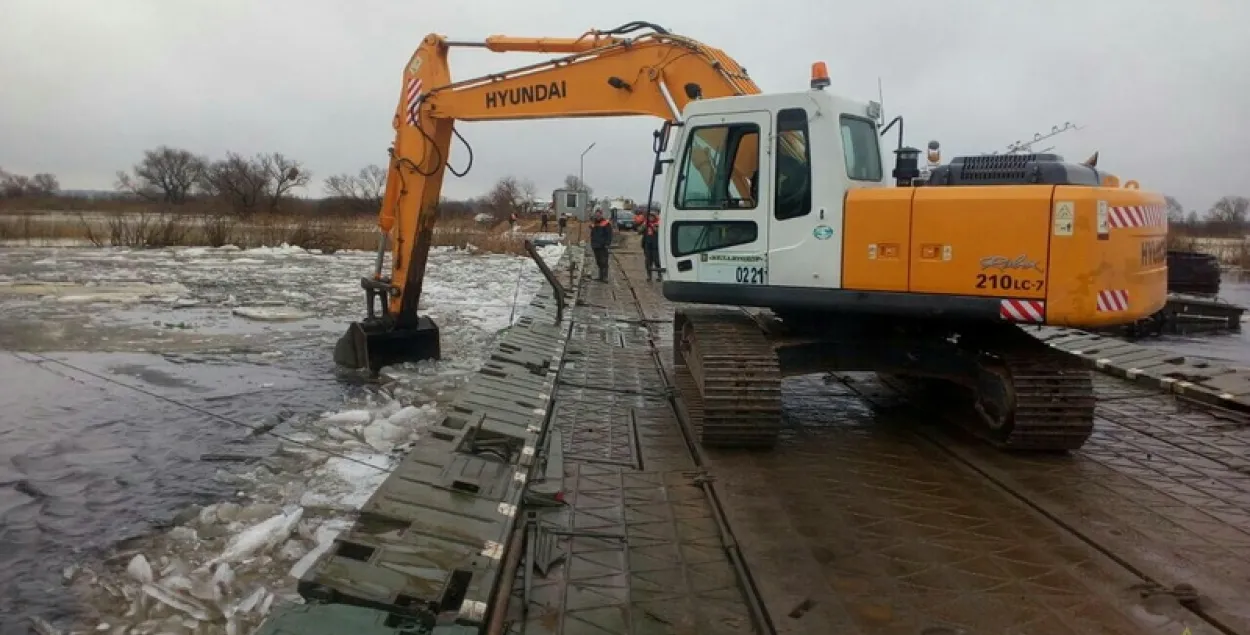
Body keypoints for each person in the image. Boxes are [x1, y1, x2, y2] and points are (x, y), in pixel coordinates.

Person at [589, 209, 613, 282]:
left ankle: (605, 277)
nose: (597, 216)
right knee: (598, 262)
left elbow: (609, 235)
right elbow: (592, 234)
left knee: (604, 262)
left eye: (599, 215)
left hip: (603, 246)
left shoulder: (606, 223)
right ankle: (600, 276)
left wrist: (607, 243)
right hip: (595, 246)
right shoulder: (594, 223)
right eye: (596, 215)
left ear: (601, 215)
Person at [640, 210, 661, 281]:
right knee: (648, 261)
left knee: (657, 261)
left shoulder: (658, 223)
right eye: (649, 216)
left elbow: (658, 231)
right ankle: (649, 276)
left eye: (652, 216)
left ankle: (659, 275)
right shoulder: (646, 223)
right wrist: (644, 226)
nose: (650, 218)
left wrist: (652, 226)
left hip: (656, 246)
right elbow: (639, 231)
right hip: (647, 245)